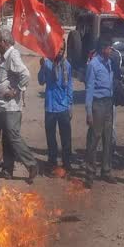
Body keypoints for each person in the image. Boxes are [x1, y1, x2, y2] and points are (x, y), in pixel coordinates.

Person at [0, 30, 38, 183]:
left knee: (13, 136)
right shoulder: (3, 57)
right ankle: (7, 169)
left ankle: (31, 164)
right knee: (6, 138)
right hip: (1, 105)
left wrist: (15, 91)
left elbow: (26, 75)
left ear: (5, 42)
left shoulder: (12, 55)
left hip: (11, 106)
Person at [85, 37, 115, 188]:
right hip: (97, 104)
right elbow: (89, 88)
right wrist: (89, 111)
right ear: (103, 48)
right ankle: (90, 174)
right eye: (109, 48)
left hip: (108, 103)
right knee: (94, 138)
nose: (111, 50)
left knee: (108, 138)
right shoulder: (93, 65)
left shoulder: (108, 63)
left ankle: (106, 170)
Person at [38, 42, 73, 174]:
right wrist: (42, 67)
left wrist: (70, 104)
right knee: (50, 137)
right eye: (59, 49)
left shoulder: (67, 66)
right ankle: (52, 162)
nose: (60, 51)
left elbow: (69, 86)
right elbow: (41, 81)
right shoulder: (47, 63)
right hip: (50, 107)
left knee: (66, 138)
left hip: (63, 107)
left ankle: (67, 162)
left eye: (63, 49)